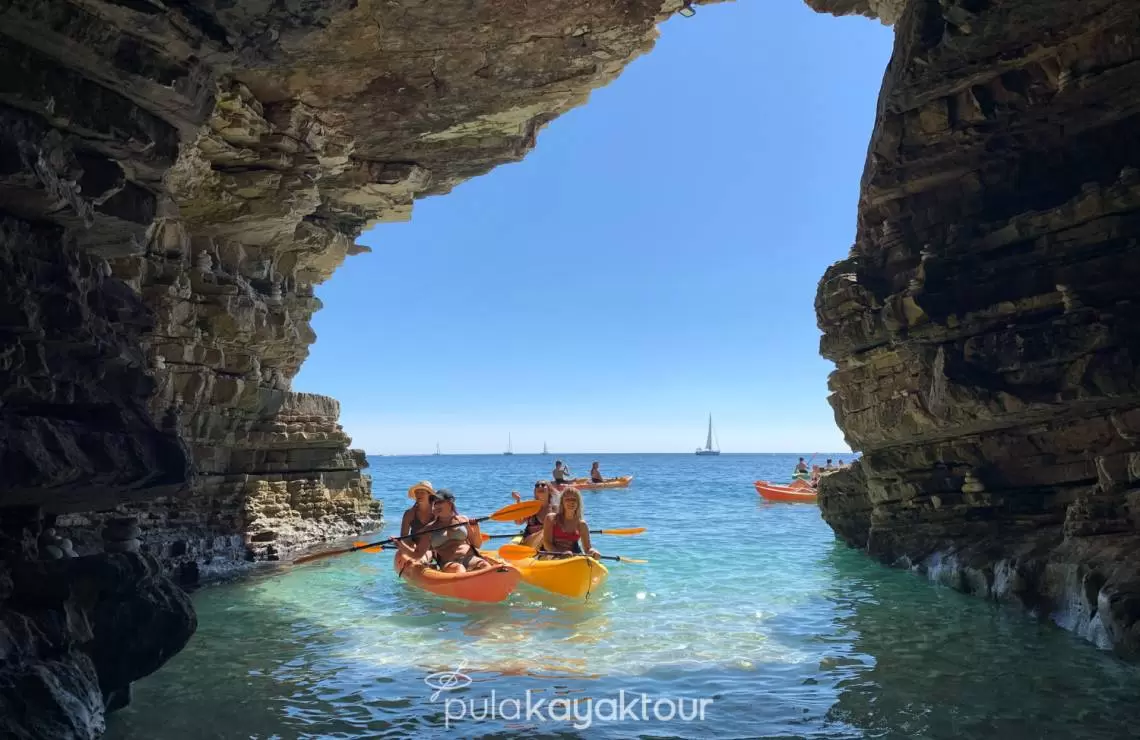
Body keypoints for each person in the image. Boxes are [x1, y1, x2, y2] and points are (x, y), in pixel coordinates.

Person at [408, 489, 488, 573]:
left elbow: (477, 545)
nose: (436, 505)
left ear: (450, 503)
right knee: (459, 568)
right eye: (435, 503)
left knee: (484, 565)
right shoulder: (430, 528)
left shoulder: (463, 520)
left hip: (468, 558)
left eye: (440, 502)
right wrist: (404, 545)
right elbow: (418, 547)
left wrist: (476, 526)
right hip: (449, 563)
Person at [542, 487, 600, 559]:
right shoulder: (551, 518)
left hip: (572, 556)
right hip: (552, 554)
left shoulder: (582, 525)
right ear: (562, 502)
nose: (571, 502)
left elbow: (587, 549)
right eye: (567, 499)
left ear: (578, 503)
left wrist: (594, 552)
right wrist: (560, 554)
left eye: (574, 499)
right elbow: (547, 543)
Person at [512, 481, 554, 548]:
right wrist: (518, 501)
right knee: (545, 532)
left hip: (548, 543)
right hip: (530, 542)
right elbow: (518, 522)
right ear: (535, 492)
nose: (540, 486)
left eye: (543, 485)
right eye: (537, 485)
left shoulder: (555, 509)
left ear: (549, 490)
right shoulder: (531, 508)